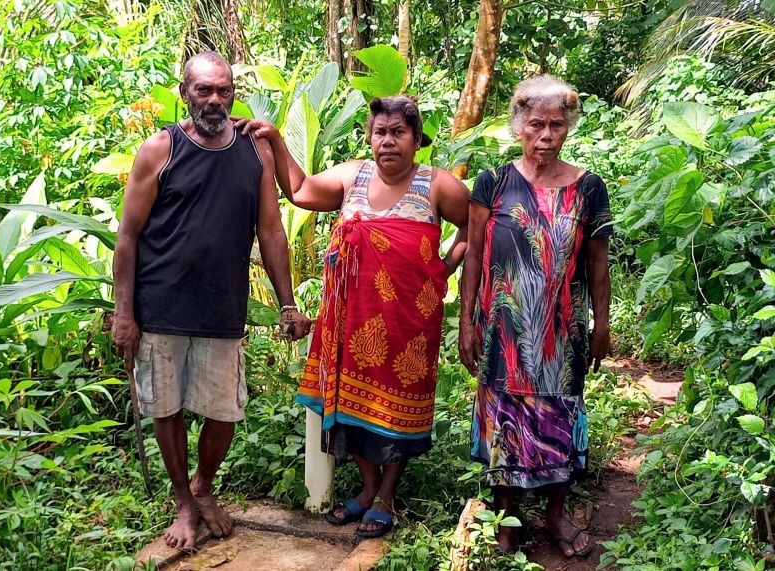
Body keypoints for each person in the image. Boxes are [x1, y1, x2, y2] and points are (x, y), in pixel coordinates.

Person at [239, 95, 469, 538]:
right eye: (380, 132)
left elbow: (475, 226)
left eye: (398, 132)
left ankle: (386, 495)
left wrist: (443, 269)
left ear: (417, 139)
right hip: (348, 319)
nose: (388, 141)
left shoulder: (439, 186)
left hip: (409, 323)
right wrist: (276, 139)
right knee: (346, 404)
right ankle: (367, 488)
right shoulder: (352, 176)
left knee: (398, 408)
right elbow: (301, 191)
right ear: (370, 136)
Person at [112, 51, 311, 551]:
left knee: (225, 412)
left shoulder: (255, 151)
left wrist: (288, 303)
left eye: (224, 90)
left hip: (223, 307)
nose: (215, 100)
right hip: (160, 307)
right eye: (204, 90)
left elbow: (270, 231)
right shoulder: (160, 149)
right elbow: (128, 237)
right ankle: (183, 501)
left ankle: (204, 485)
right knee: (167, 409)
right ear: (185, 93)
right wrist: (124, 314)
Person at [459, 75, 611, 557]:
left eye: (557, 125)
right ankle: (507, 519)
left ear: (568, 128)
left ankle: (555, 515)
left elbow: (597, 263)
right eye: (537, 124)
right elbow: (475, 255)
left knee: (560, 417)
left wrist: (601, 325)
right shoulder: (494, 182)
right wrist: (466, 320)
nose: (546, 135)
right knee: (503, 419)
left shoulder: (588, 187)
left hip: (561, 335)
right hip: (503, 332)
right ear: (518, 125)